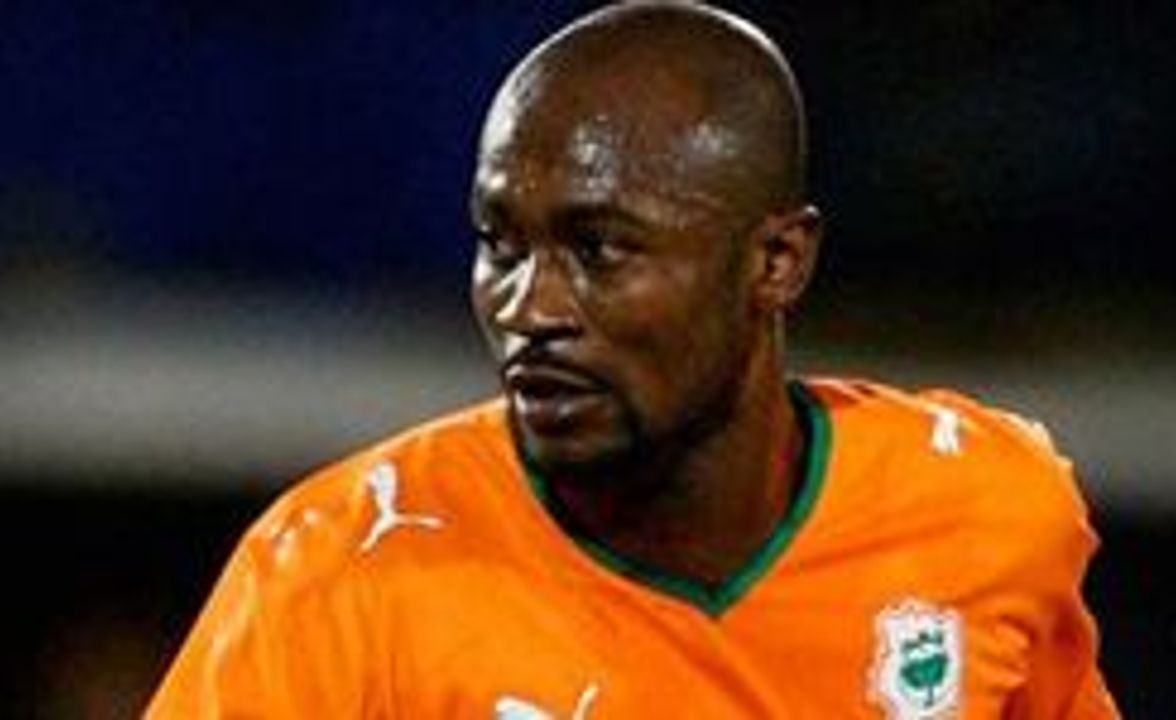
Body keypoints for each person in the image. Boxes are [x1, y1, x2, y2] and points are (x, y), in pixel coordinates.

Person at [147, 2, 1118, 717]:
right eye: (499, 245)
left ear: (776, 262)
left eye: (598, 249)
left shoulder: (986, 511)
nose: (529, 308)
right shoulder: (330, 574)